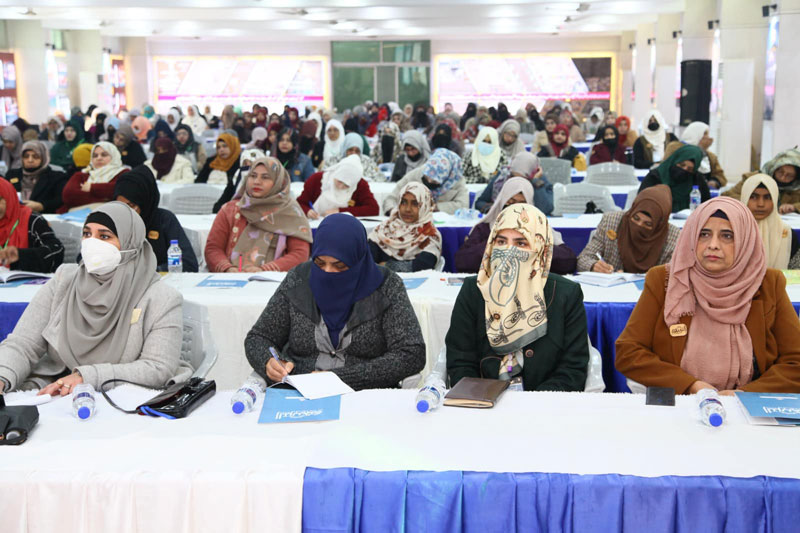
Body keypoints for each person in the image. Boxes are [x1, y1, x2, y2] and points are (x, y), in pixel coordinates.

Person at [0, 202, 194, 393]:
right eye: (87, 234)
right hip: (53, 394)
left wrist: (86, 377)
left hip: (121, 403)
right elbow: (23, 343)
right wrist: (2, 377)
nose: (92, 243)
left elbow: (157, 368)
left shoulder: (161, 298)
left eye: (104, 236)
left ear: (129, 242)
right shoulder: (64, 281)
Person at [615, 197, 800, 394]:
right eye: (704, 234)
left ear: (746, 241)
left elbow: (795, 361)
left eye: (727, 236)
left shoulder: (768, 284)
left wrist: (747, 394)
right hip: (681, 403)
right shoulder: (664, 280)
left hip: (747, 408)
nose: (713, 245)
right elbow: (629, 352)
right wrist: (690, 386)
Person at [244, 213, 425, 389]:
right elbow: (259, 337)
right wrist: (269, 361)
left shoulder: (386, 286)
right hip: (299, 394)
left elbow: (411, 354)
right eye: (320, 263)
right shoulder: (298, 280)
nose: (328, 272)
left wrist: (343, 378)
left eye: (340, 266)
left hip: (365, 396)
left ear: (358, 260)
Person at [446, 203, 589, 390]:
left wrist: (531, 407)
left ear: (540, 248)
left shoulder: (566, 294)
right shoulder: (473, 290)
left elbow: (572, 369)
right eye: (501, 241)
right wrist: (482, 401)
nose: (508, 251)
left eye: (521, 243)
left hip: (543, 409)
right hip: (482, 407)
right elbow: (460, 361)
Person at [205, 157, 312, 273]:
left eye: (265, 177)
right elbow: (213, 248)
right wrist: (227, 268)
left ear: (279, 182)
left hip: (275, 283)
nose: (256, 181)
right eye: (253, 176)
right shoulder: (231, 210)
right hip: (230, 281)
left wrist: (264, 270)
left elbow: (300, 254)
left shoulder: (290, 213)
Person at [455, 177, 576, 275]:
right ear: (502, 202)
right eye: (510, 202)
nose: (514, 209)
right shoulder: (486, 228)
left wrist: (533, 247)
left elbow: (568, 261)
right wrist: (497, 244)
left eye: (521, 204)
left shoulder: (540, 229)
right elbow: (462, 261)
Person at [113, 166, 198, 272]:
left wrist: (152, 271)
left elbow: (188, 264)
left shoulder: (164, 220)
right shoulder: (112, 222)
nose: (126, 212)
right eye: (120, 205)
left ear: (145, 202)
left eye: (131, 205)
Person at [577, 185, 679, 273]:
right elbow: (583, 259)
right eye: (635, 218)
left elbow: (674, 274)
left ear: (659, 225)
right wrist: (594, 266)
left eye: (647, 224)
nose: (639, 225)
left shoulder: (673, 237)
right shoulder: (612, 222)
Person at [367, 182, 442, 272]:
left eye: (415, 204)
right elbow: (368, 260)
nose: (407, 209)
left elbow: (424, 265)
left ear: (425, 206)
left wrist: (387, 265)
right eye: (403, 202)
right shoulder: (384, 229)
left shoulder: (430, 234)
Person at [0, 178, 64, 273]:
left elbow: (56, 252)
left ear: (9, 198)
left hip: (25, 285)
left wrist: (21, 255)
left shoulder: (32, 220)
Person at [384, 148, 469, 215]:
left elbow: (463, 205)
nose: (429, 182)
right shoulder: (416, 175)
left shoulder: (455, 181)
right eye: (426, 178)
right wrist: (392, 211)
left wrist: (436, 207)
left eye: (435, 182)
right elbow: (391, 198)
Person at [739, 174, 796, 269]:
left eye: (768, 197)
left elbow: (796, 274)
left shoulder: (787, 234)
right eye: (753, 197)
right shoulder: (731, 231)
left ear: (775, 200)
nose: (761, 204)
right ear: (744, 198)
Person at [297, 154, 379, 219]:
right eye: (339, 181)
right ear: (336, 173)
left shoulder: (360, 185)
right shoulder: (318, 180)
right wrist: (307, 211)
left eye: (347, 185)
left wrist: (340, 212)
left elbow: (373, 209)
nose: (341, 186)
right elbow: (299, 203)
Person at [723, 148, 800, 213]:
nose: (783, 177)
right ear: (774, 168)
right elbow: (728, 196)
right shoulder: (752, 178)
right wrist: (752, 201)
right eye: (781, 172)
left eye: (789, 176)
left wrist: (794, 207)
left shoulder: (797, 187)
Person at [474, 151, 553, 216]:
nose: (517, 181)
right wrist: (496, 210)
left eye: (523, 178)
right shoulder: (502, 177)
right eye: (513, 176)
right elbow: (480, 202)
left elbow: (545, 209)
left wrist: (536, 182)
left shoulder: (540, 181)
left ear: (532, 173)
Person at [639, 145, 710, 212]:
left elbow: (707, 206)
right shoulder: (656, 176)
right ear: (675, 160)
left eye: (689, 169)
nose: (684, 170)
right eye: (682, 165)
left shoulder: (697, 179)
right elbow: (642, 202)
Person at [61, 142, 129, 212]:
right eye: (95, 156)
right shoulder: (83, 174)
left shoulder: (123, 173)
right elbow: (68, 196)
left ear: (114, 156)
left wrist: (92, 187)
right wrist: (105, 199)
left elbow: (118, 190)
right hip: (73, 216)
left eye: (104, 155)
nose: (99, 158)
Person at [4, 140, 69, 214]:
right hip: (14, 216)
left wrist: (42, 206)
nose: (30, 160)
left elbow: (61, 199)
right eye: (26, 156)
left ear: (43, 157)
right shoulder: (12, 174)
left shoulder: (56, 177)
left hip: (43, 217)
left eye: (36, 157)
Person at [663, 122, 726, 188]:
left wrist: (715, 182)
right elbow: (665, 168)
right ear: (695, 134)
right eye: (704, 134)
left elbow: (720, 176)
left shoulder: (710, 156)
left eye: (708, 134)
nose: (708, 137)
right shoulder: (675, 147)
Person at [195, 133, 242, 213]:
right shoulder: (211, 161)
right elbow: (199, 181)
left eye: (225, 146)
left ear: (233, 146)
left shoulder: (240, 163)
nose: (221, 150)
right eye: (218, 147)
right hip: (206, 199)